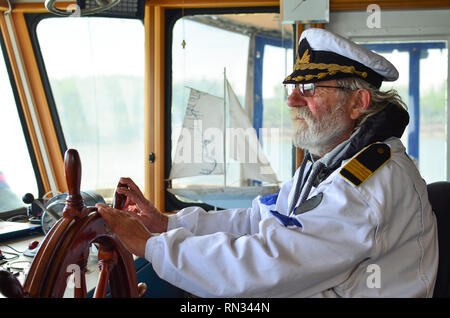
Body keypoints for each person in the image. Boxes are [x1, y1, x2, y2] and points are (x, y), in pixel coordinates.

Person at [97, 28, 438, 298]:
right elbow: (259, 220)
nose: (291, 99)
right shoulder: (325, 163)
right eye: (293, 86)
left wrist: (149, 245)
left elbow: (268, 263)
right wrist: (166, 226)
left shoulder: (370, 185)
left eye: (309, 87)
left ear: (358, 103)